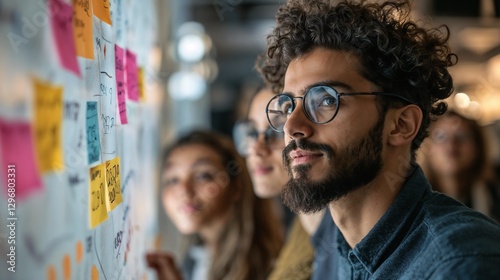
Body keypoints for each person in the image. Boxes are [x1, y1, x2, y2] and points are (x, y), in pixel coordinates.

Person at [257, 0, 500, 278]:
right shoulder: (338, 250)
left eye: (325, 99)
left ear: (400, 125)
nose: (292, 125)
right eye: (289, 105)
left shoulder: (461, 262)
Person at [146, 130, 283, 280]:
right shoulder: (199, 258)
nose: (184, 191)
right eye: (173, 180)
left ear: (236, 187)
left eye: (203, 176)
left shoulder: (269, 267)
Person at [233, 85, 325, 279]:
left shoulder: (334, 236)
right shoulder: (303, 226)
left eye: (275, 131)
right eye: (251, 132)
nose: (256, 149)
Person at [420, 110, 500, 217]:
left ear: (478, 147)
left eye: (462, 135)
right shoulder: (415, 201)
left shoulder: (495, 191)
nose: (451, 144)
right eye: (440, 136)